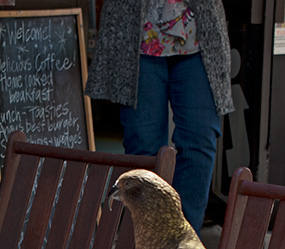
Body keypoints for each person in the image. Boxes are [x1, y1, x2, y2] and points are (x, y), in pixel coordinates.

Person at [86, 0, 234, 233]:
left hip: (197, 33)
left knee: (200, 139)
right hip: (138, 34)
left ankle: (182, 245)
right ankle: (150, 243)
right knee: (145, 149)